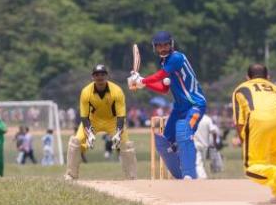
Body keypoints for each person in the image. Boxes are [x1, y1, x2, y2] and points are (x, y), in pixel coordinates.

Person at [129, 32, 207, 179]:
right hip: (179, 108)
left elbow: (159, 76)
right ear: (155, 48)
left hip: (196, 105)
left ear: (171, 44)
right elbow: (164, 89)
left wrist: (143, 81)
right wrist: (143, 84)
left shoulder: (176, 58)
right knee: (164, 142)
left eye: (165, 45)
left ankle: (189, 175)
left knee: (184, 133)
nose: (163, 48)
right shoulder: (164, 62)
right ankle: (180, 175)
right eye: (159, 46)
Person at [231, 64, 276, 202]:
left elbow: (239, 122)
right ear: (268, 77)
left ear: (247, 78)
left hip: (257, 119)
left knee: (251, 168)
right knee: (273, 151)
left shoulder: (240, 89)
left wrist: (244, 141)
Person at [66, 64, 137, 180]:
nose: (100, 78)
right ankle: (71, 175)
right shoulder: (86, 92)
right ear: (92, 77)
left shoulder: (117, 91)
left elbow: (121, 115)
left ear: (107, 76)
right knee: (75, 142)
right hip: (92, 120)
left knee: (126, 145)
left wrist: (118, 133)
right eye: (97, 75)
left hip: (113, 121)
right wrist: (89, 133)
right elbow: (84, 116)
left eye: (102, 74)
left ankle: (132, 177)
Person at [193, 113, 217, 179]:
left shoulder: (193, 118)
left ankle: (202, 178)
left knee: (199, 163)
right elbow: (214, 131)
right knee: (201, 163)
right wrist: (214, 143)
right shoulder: (207, 119)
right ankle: (200, 177)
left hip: (194, 144)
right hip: (205, 145)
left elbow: (188, 130)